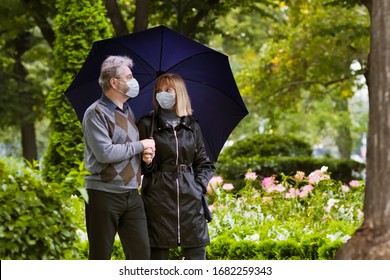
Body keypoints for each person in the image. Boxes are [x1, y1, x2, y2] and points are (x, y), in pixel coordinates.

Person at [82, 55, 155, 260]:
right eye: (129, 76)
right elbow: (105, 153)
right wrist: (140, 145)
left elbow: (127, 150)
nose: (134, 81)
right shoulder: (95, 113)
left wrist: (144, 157)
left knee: (141, 257)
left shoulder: (128, 111)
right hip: (103, 195)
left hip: (131, 194)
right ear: (114, 82)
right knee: (100, 257)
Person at [137, 73, 215, 260]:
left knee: (196, 259)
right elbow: (136, 164)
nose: (162, 94)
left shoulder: (192, 126)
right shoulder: (146, 124)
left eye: (168, 90)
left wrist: (198, 186)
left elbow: (205, 163)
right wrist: (147, 162)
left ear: (178, 93)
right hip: (157, 201)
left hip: (191, 201)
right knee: (157, 261)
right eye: (159, 91)